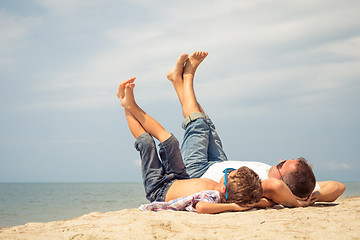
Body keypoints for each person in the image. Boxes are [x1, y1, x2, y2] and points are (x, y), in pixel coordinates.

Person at [166, 51, 346, 208]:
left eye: (282, 165)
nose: (280, 159)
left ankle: (188, 77)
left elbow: (274, 190)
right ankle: (176, 81)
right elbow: (338, 187)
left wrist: (292, 202)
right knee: (205, 123)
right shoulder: (294, 186)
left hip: (198, 172)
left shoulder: (264, 188)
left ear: (281, 182)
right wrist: (310, 197)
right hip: (220, 164)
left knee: (197, 125)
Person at [116, 76, 263, 214]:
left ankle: (126, 106)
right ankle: (130, 105)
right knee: (169, 140)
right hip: (179, 176)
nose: (226, 172)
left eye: (228, 174)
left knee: (147, 143)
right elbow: (260, 202)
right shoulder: (220, 189)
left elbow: (201, 207)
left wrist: (233, 206)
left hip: (159, 189)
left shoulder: (213, 197)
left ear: (225, 187)